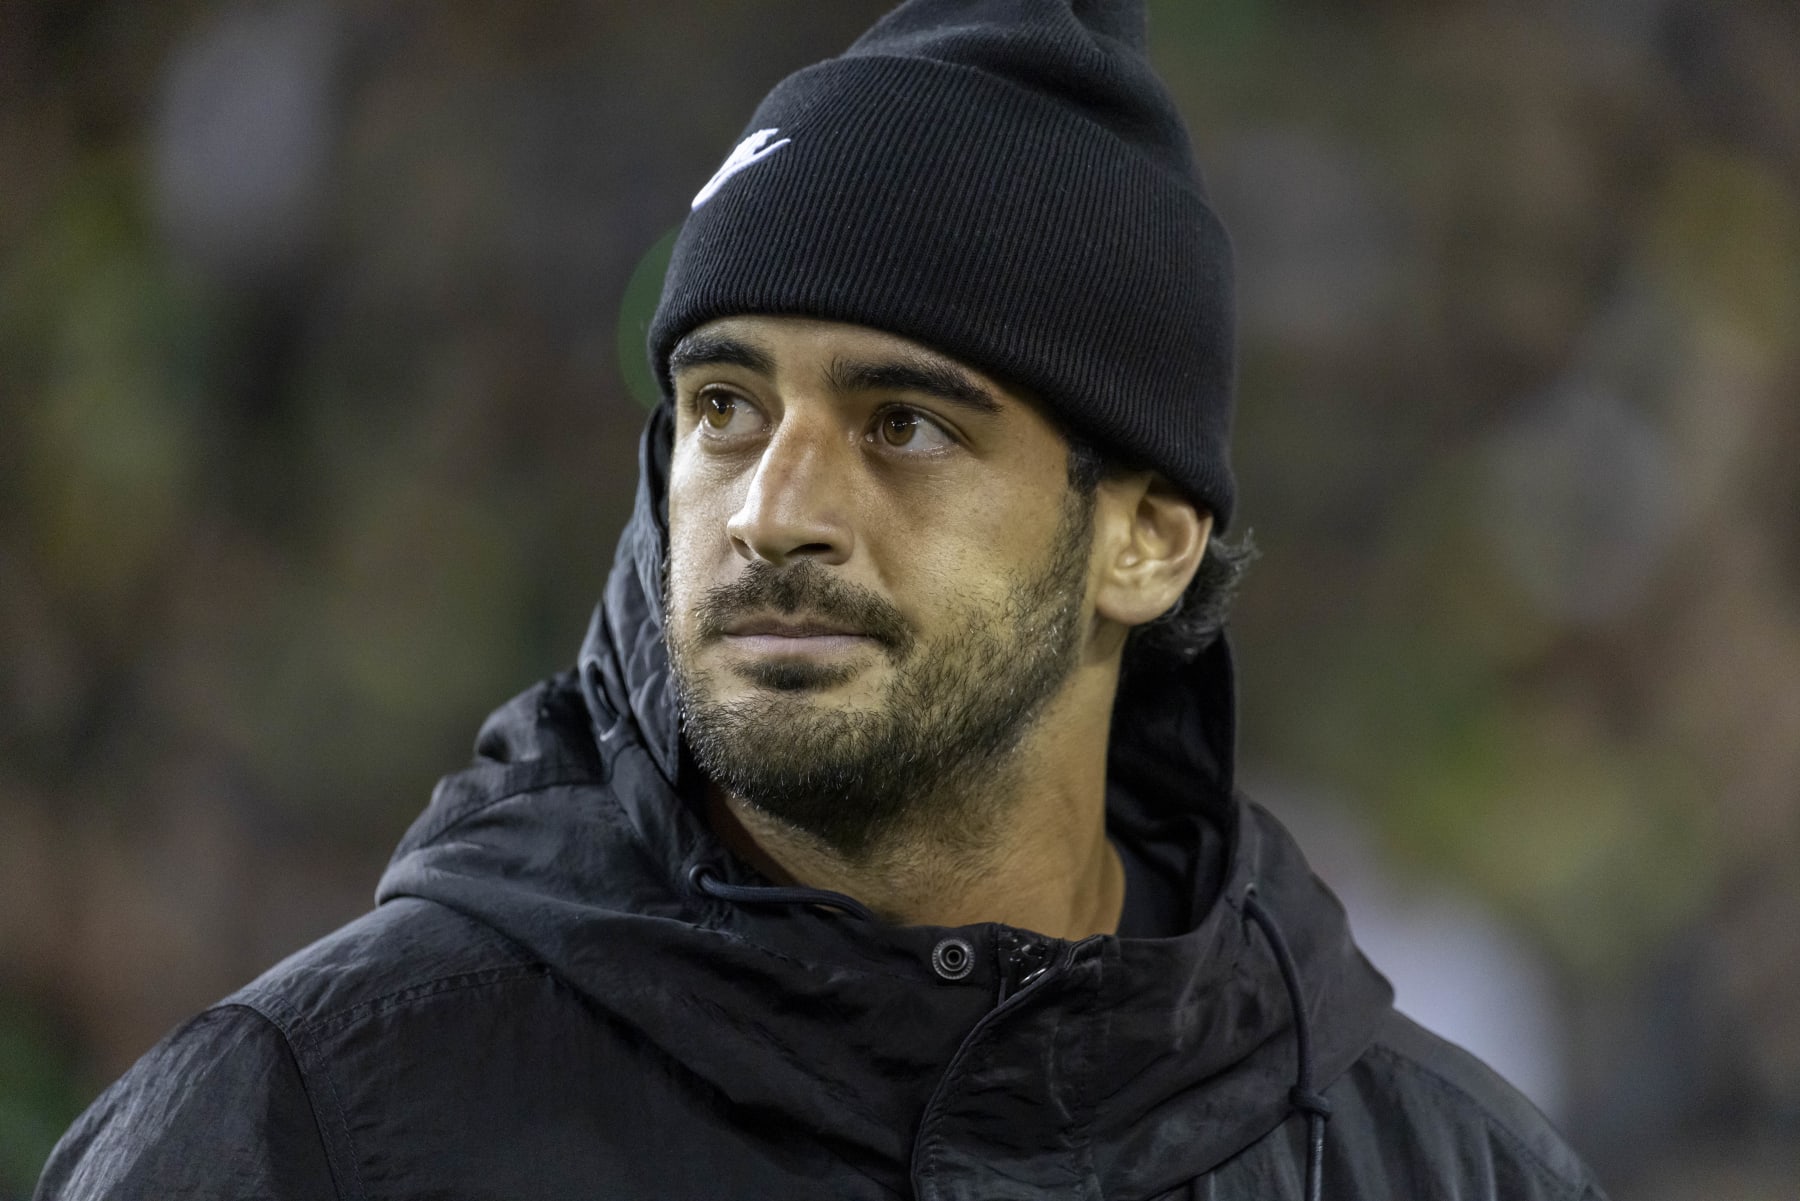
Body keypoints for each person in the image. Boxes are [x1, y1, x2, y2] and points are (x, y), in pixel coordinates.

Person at [38, 2, 1607, 1198]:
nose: (776, 509)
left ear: (1148, 538)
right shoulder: (308, 1121)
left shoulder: (1439, 1165)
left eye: (905, 425)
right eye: (726, 408)